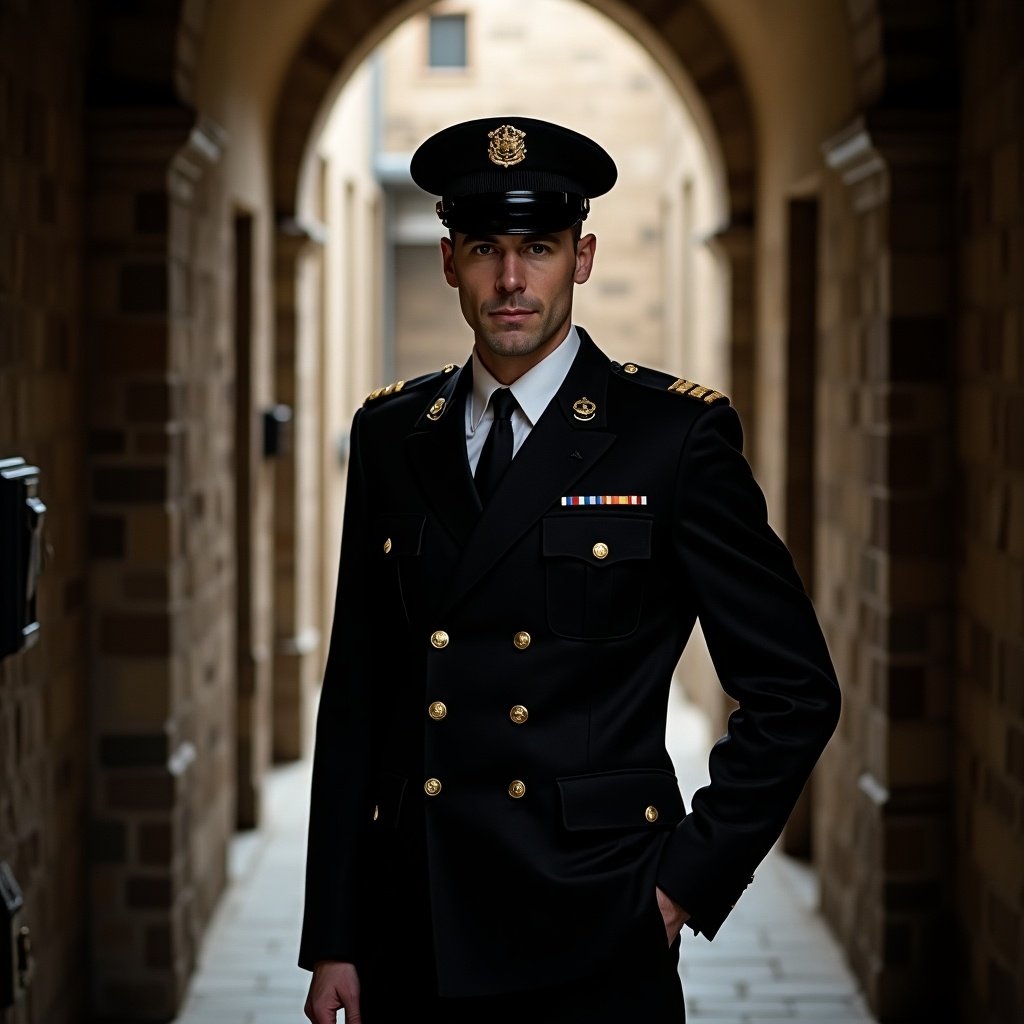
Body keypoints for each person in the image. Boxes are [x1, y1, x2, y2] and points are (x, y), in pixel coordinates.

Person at [300, 115, 841, 1024]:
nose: (511, 281)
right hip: (417, 916)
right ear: (449, 263)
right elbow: (356, 695)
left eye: (538, 249)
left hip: (595, 918)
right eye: (485, 249)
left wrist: (680, 887)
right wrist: (335, 936)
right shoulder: (392, 436)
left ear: (581, 258)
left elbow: (795, 692)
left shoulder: (670, 438)